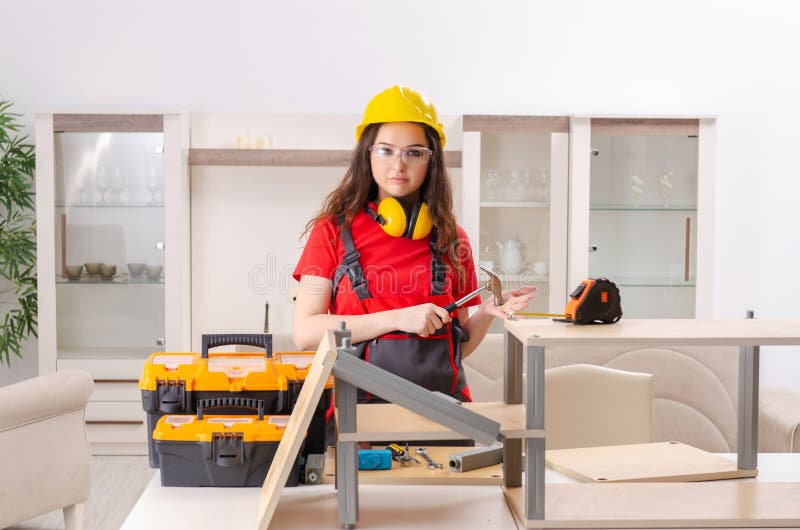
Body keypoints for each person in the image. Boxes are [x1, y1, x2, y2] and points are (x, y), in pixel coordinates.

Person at [292, 85, 534, 407]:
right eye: (386, 150)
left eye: (414, 152)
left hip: (445, 414)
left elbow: (455, 347)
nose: (398, 165)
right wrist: (396, 318)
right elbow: (305, 333)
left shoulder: (453, 238)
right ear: (367, 153)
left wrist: (487, 311)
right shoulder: (332, 231)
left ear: (431, 160)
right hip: (358, 418)